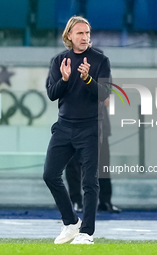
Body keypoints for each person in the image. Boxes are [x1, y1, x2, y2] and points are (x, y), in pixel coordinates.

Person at [43, 16, 110, 244]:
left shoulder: (100, 60)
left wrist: (87, 79)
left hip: (89, 127)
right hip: (63, 127)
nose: (85, 38)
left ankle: (86, 233)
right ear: (69, 35)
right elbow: (52, 93)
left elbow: (105, 93)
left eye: (88, 33)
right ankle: (71, 223)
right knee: (50, 175)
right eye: (80, 33)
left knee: (89, 182)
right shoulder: (59, 61)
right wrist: (64, 78)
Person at [66, 98, 121, 213]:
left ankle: (105, 201)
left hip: (98, 126)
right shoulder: (68, 79)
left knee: (103, 164)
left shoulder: (102, 79)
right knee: (74, 165)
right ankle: (76, 200)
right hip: (74, 125)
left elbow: (107, 100)